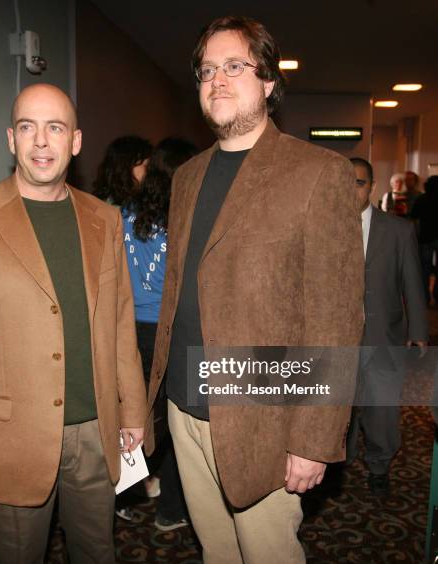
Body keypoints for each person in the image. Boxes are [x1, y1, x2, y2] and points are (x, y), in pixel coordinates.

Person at [144, 16, 364, 563]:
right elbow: (177, 291)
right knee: (216, 552)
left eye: (234, 66)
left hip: (263, 415)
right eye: (206, 70)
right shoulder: (187, 176)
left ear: (268, 81)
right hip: (184, 409)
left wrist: (313, 439)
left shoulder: (318, 172)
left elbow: (335, 319)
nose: (217, 79)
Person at [0, 83, 146, 564]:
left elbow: (121, 324)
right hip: (7, 441)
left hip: (95, 434)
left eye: (55, 128)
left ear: (76, 141)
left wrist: (133, 411)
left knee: (97, 553)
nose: (41, 141)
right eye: (28, 127)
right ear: (10, 138)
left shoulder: (104, 218)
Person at [119, 138, 197, 531]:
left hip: (128, 331)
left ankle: (121, 494)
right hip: (169, 331)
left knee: (135, 416)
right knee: (175, 419)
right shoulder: (186, 217)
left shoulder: (123, 215)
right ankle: (169, 509)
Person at [346, 158, 428, 495]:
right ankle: (341, 461)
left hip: (385, 335)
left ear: (372, 186)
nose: (352, 190)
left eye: (359, 183)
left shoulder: (398, 230)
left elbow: (412, 282)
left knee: (382, 406)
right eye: (345, 183)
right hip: (339, 340)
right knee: (341, 406)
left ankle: (379, 466)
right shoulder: (323, 228)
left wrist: (419, 331)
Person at [92, 136, 152, 206]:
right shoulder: (105, 208)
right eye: (146, 166)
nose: (151, 171)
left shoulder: (143, 201)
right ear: (127, 167)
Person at [411, 176, 438, 305]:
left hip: (425, 237)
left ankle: (425, 297)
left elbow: (413, 216)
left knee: (424, 269)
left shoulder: (422, 199)